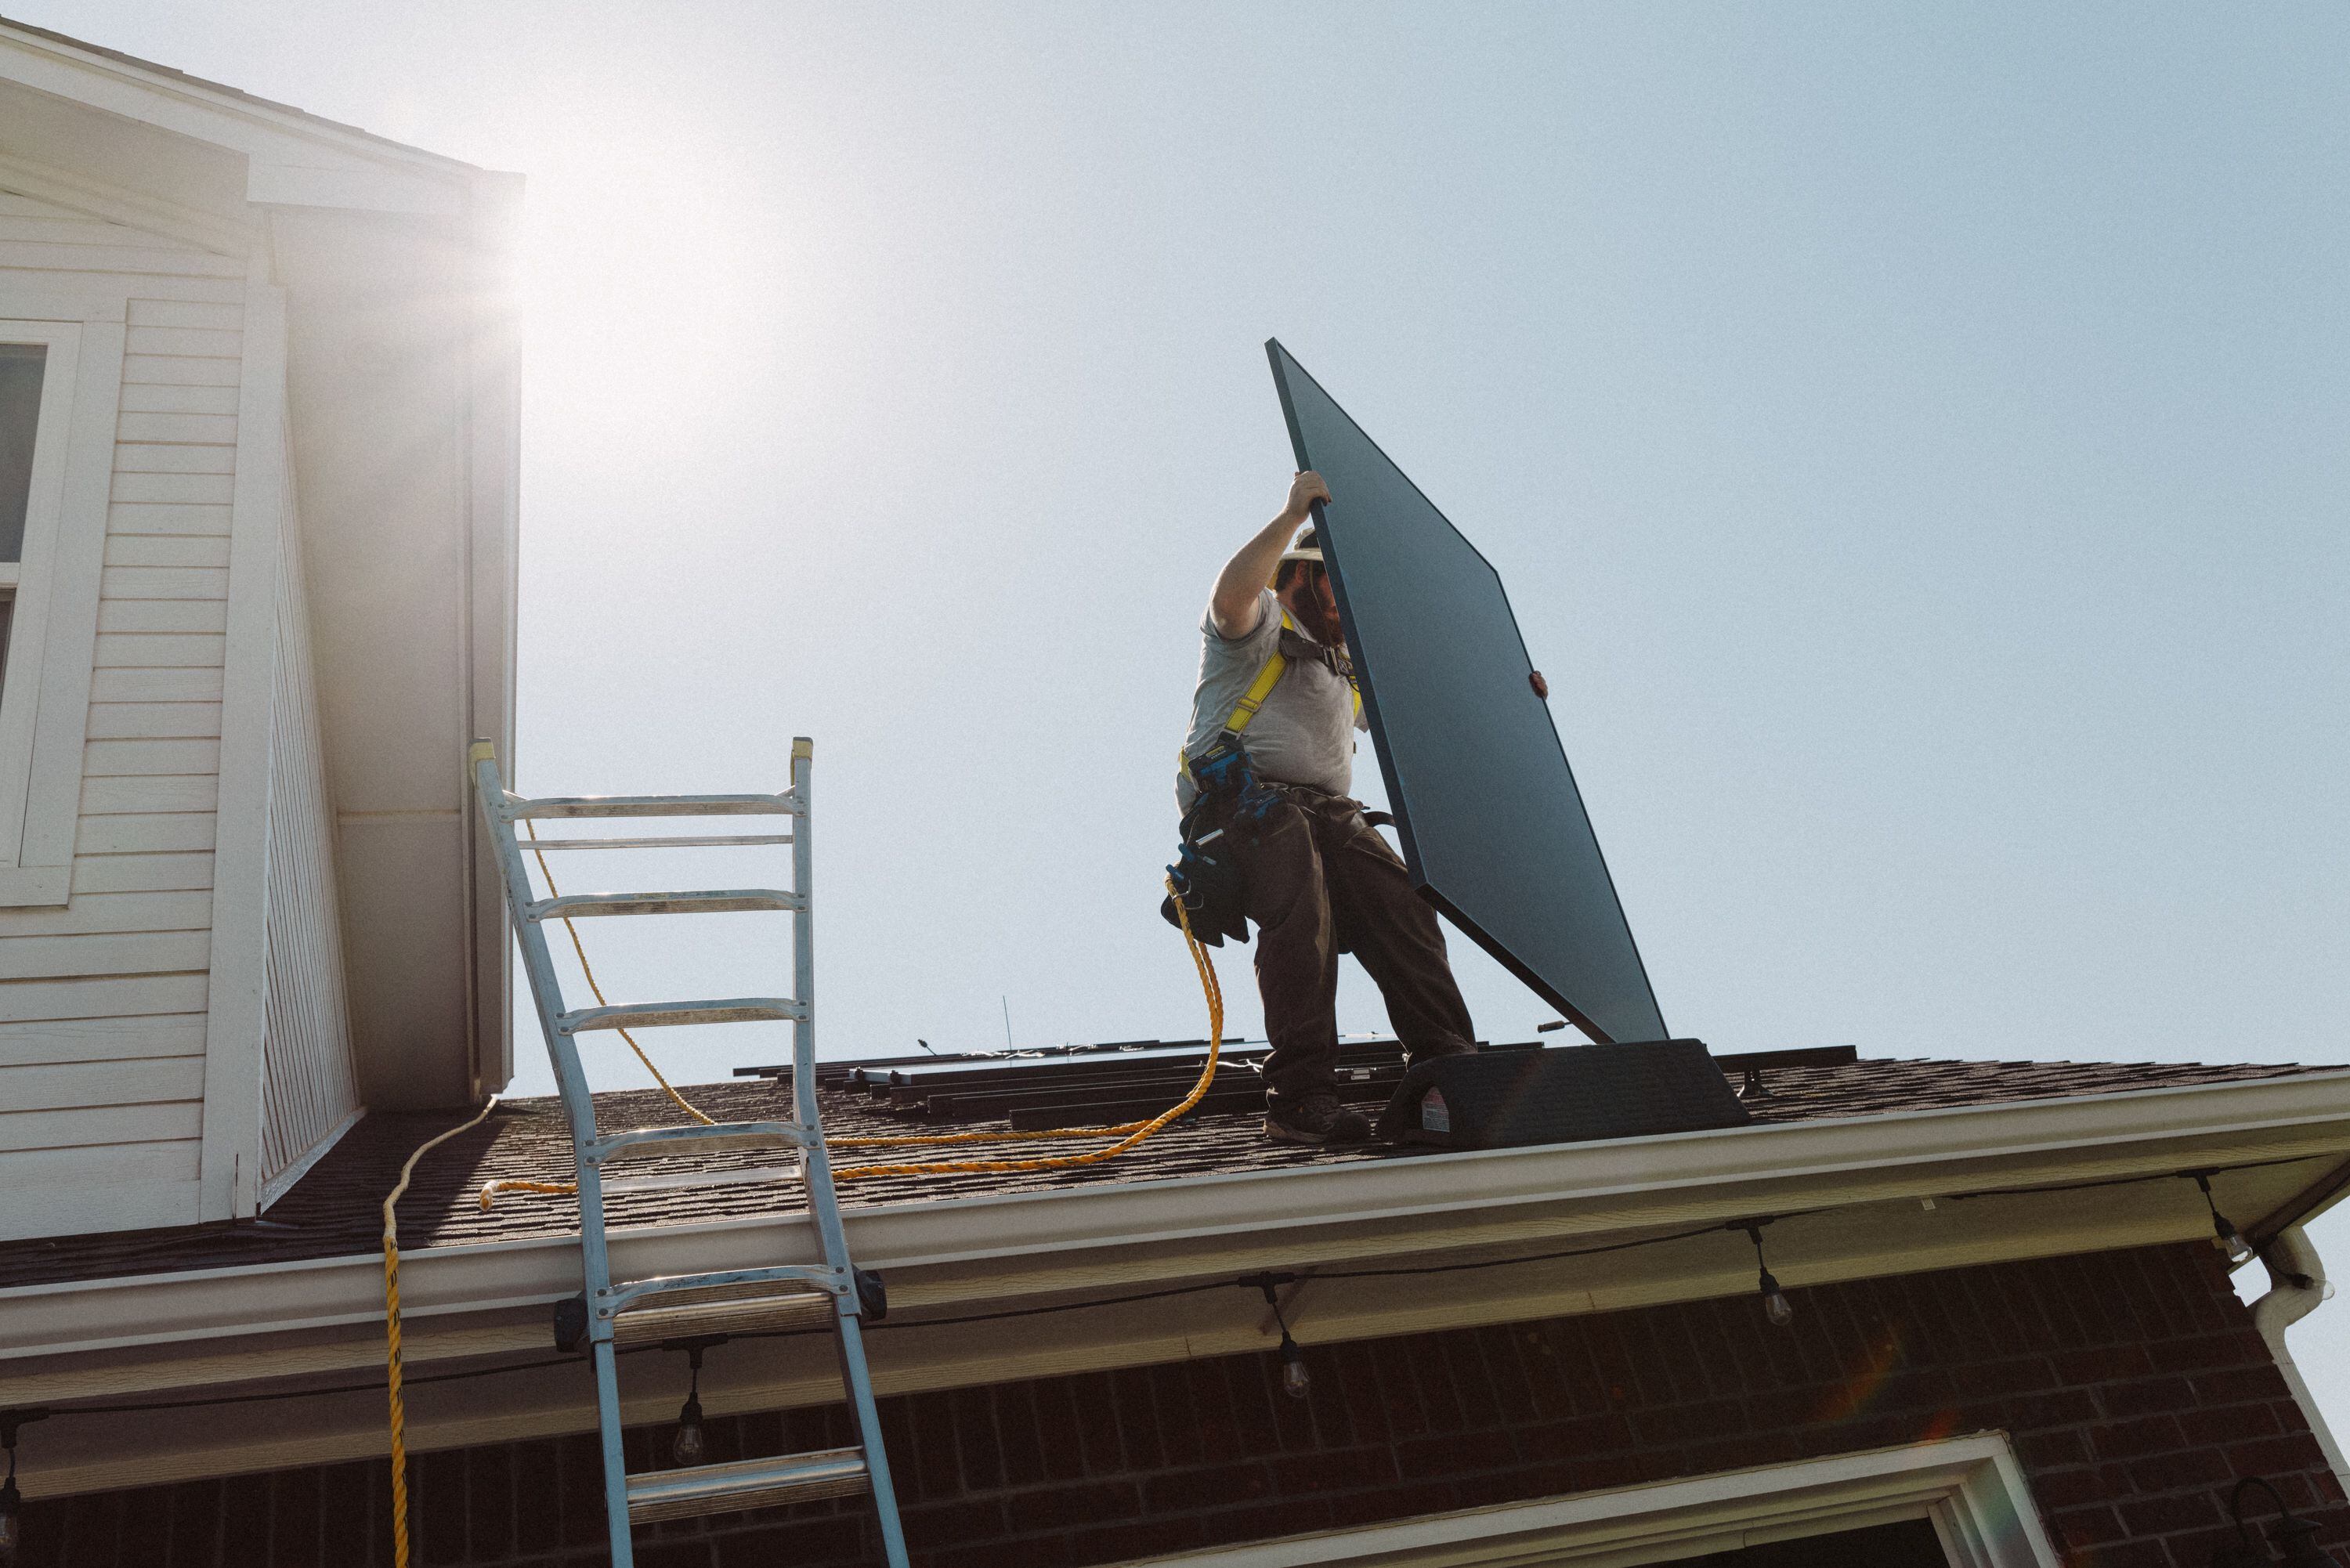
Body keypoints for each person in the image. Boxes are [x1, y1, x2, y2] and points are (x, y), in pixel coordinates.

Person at [1177, 470, 1479, 1146]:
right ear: (1302, 576)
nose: (1348, 604)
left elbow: (1436, 725)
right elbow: (1231, 594)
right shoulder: (1258, 624)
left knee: (1403, 902)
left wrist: (1520, 693)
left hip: (1328, 812)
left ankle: (1449, 1074)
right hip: (1245, 806)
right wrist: (1290, 516)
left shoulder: (1343, 666)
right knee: (1299, 893)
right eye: (1336, 582)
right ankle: (1301, 1096)